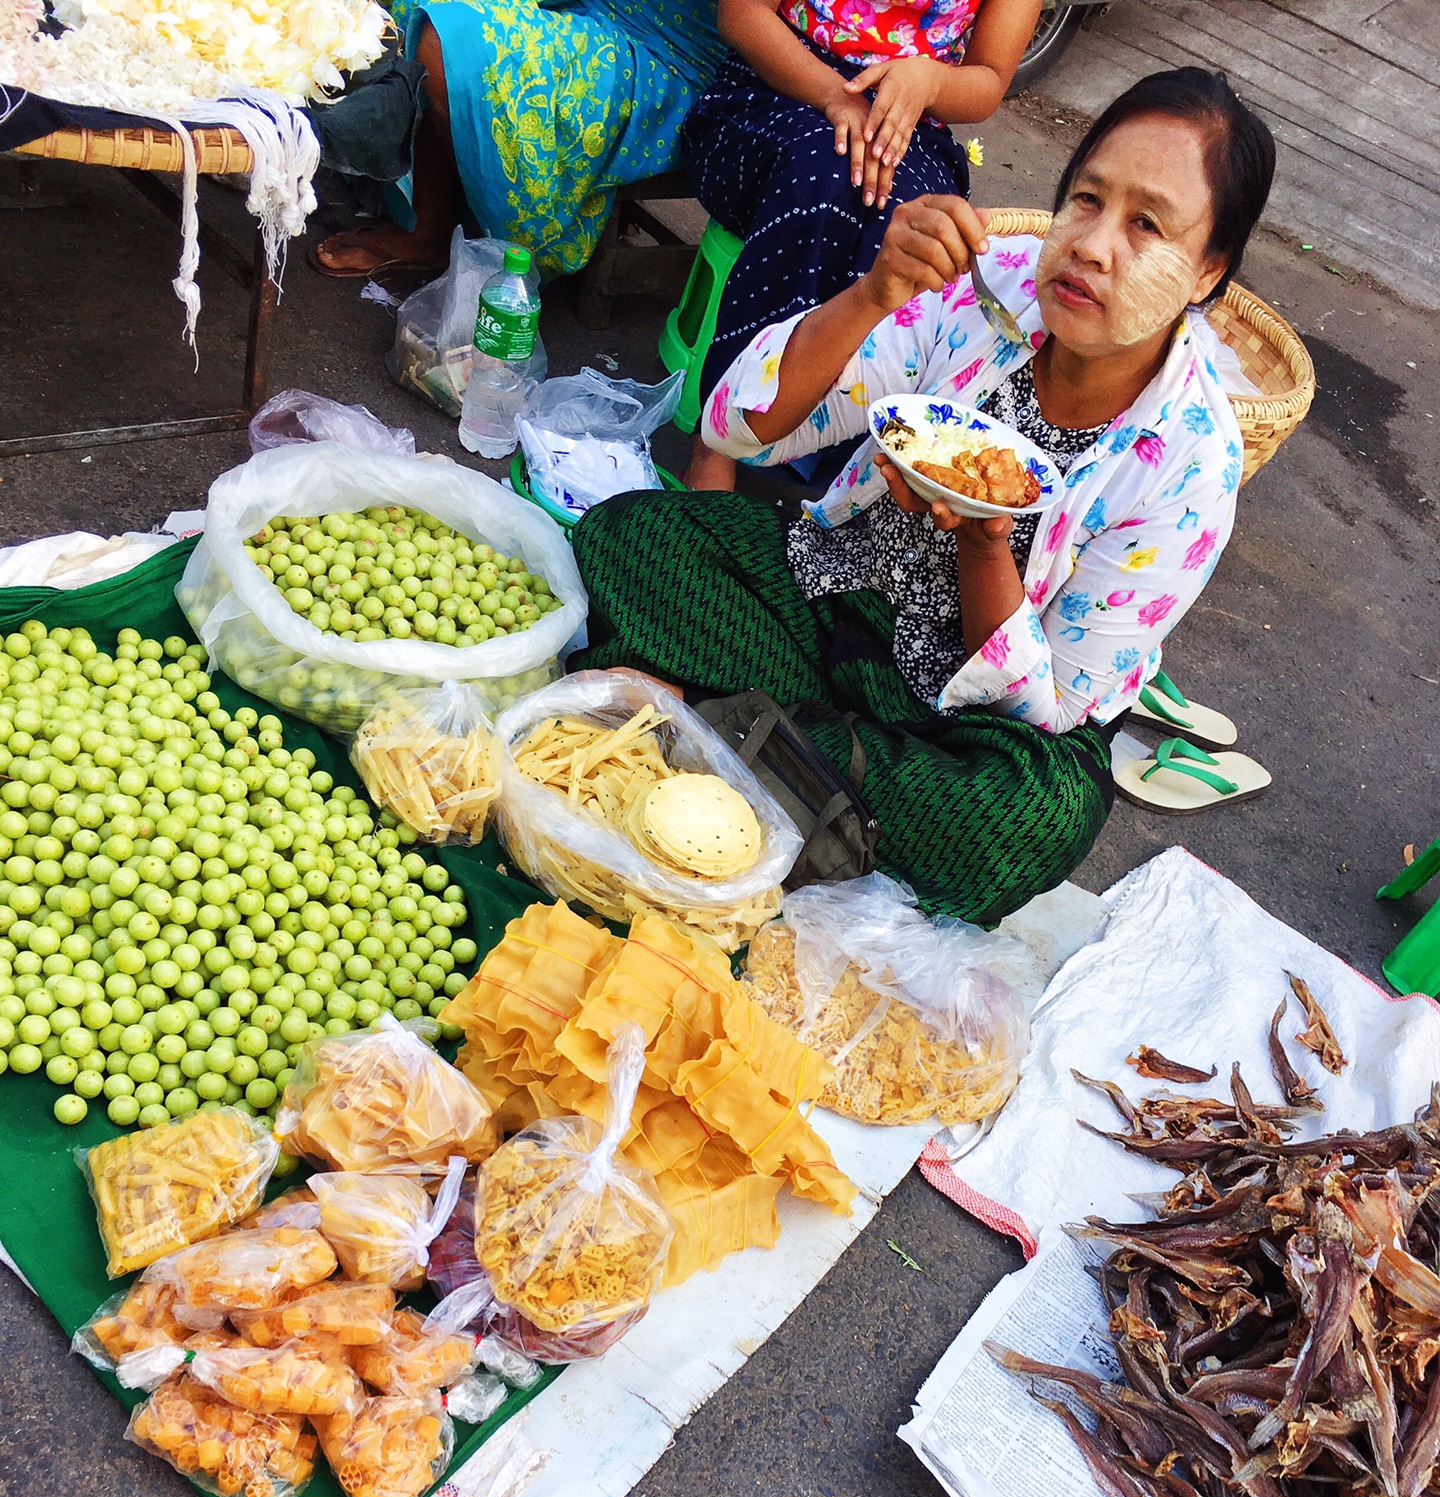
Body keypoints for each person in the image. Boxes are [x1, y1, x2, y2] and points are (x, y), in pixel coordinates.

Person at [572, 69, 1276, 926]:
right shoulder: (991, 287)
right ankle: (807, 775)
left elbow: (1046, 708)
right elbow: (739, 425)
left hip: (965, 728)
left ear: (1208, 272)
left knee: (1030, 820)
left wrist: (985, 542)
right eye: (1086, 200)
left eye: (1146, 226)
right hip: (827, 606)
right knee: (631, 535)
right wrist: (873, 295)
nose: (1092, 245)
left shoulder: (1191, 467)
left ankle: (721, 724)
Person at [680, 0, 1041, 489]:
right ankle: (718, 438)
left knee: (911, 229)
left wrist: (929, 81)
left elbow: (988, 81)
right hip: (775, 87)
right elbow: (742, 14)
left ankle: (839, 465)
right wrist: (835, 97)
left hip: (910, 127)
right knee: (824, 182)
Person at [314, 0, 725, 282]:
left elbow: (749, 23)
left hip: (669, 55)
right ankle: (444, 204)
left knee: (446, 40)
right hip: (594, 8)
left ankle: (435, 236)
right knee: (414, 7)